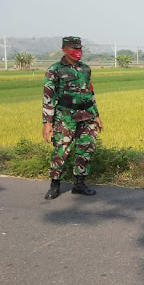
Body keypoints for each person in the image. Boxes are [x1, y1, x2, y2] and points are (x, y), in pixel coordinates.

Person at [42, 36, 104, 200]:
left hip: (87, 116)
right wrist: (47, 123)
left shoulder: (85, 69)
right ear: (64, 50)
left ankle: (79, 184)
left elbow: (90, 93)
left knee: (86, 148)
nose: (78, 52)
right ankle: (55, 185)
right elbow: (48, 98)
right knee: (61, 151)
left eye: (80, 49)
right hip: (65, 116)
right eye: (74, 49)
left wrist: (97, 115)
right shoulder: (54, 70)